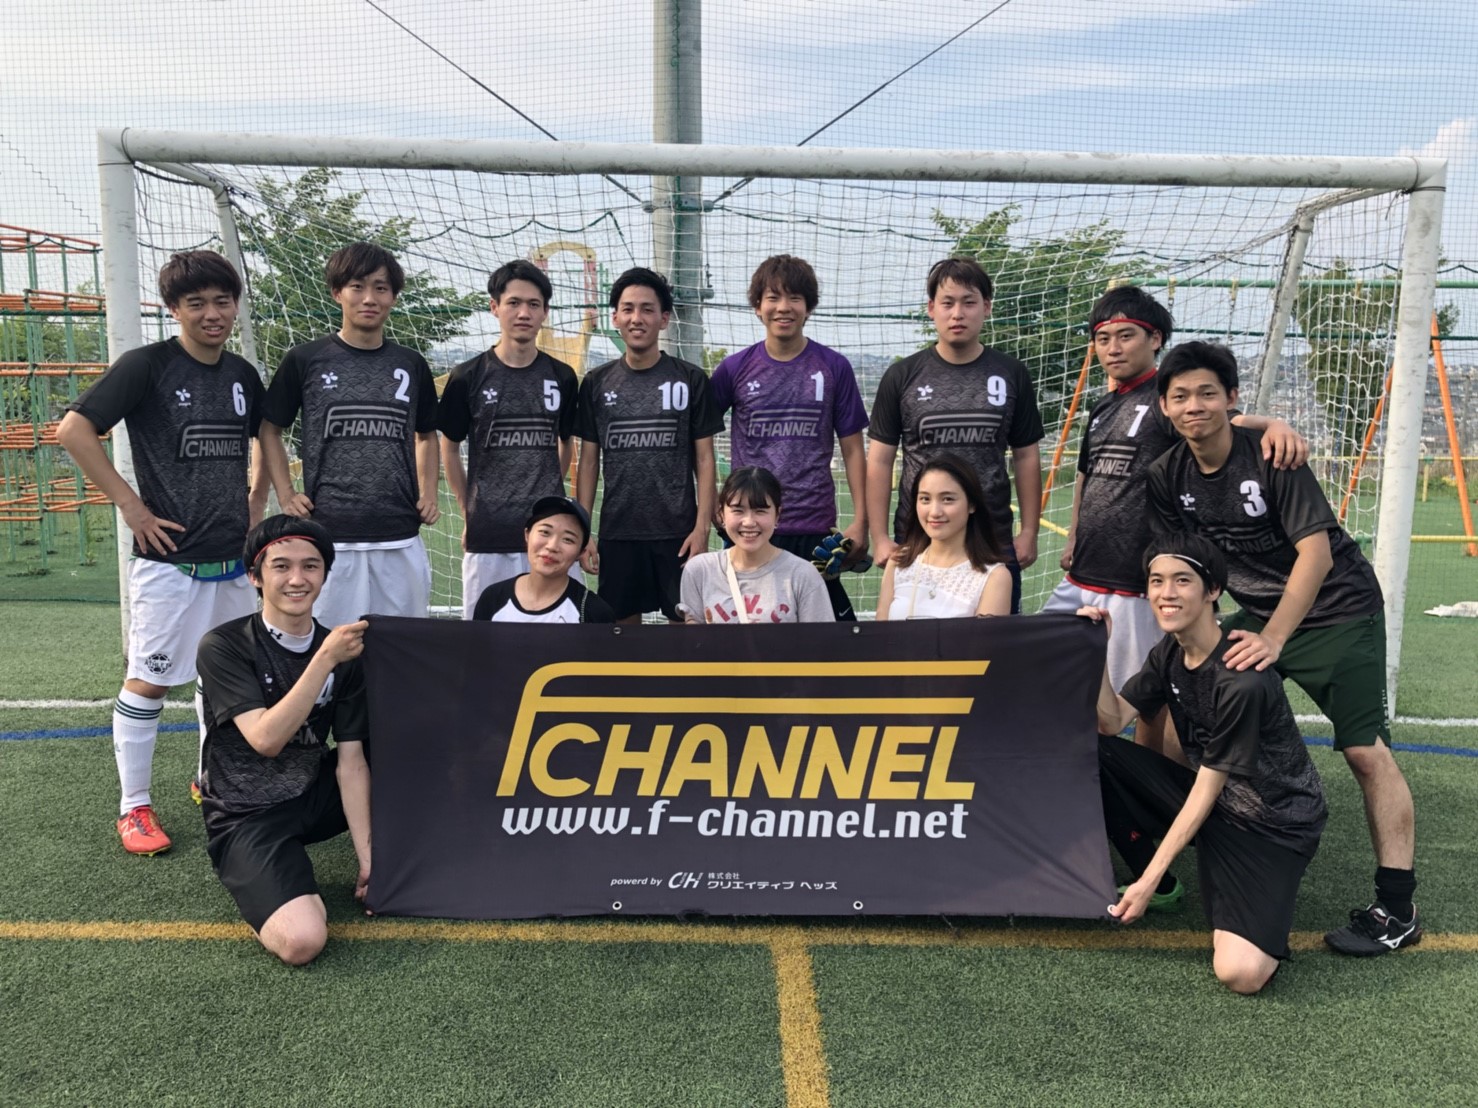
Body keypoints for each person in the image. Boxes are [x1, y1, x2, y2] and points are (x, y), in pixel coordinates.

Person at [1147, 340, 1421, 956]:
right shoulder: (1167, 474)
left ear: (1232, 397)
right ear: (1164, 406)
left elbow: (1316, 555)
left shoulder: (1273, 456)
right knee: (1176, 711)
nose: (1194, 406)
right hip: (1259, 614)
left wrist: (1273, 638)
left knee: (1364, 752)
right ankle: (1172, 854)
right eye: (1180, 396)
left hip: (1337, 611)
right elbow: (1181, 559)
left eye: (1208, 393)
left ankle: (1398, 909)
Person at [56, 250, 266, 856]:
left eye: (222, 301)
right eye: (196, 303)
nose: (212, 314)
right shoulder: (146, 365)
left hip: (233, 562)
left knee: (227, 680)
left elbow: (264, 440)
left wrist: (256, 502)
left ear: (235, 305)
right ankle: (135, 808)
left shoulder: (242, 374)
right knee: (148, 683)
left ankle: (211, 779)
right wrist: (131, 506)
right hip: (170, 563)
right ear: (174, 309)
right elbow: (73, 430)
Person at [1041, 287, 1307, 752]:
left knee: (1146, 699)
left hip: (1136, 581)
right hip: (1085, 572)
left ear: (1155, 339)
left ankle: (1158, 782)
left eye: (1126, 336)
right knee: (1045, 663)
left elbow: (1224, 422)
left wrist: (1273, 424)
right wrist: (1074, 536)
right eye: (1103, 339)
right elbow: (1087, 474)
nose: (1113, 348)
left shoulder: (1168, 399)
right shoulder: (1103, 406)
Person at [1081, 533, 1327, 994]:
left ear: (1213, 590)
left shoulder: (1241, 680)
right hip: (1218, 807)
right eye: (1156, 581)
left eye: (1182, 581)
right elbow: (1111, 722)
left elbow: (1208, 787)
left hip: (1272, 826)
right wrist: (1096, 651)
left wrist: (1146, 881)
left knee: (1241, 973)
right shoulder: (1170, 652)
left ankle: (1170, 880)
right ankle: (1162, 880)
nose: (1166, 593)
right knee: (1093, 752)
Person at [196, 515, 370, 966]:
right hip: (247, 812)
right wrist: (324, 660)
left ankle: (408, 859)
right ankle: (264, 873)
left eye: (311, 566)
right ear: (255, 576)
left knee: (397, 750)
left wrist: (369, 860)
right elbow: (265, 739)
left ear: (325, 575)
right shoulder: (224, 645)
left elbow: (352, 762)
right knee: (301, 942)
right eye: (281, 566)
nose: (297, 579)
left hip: (311, 793)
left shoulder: (342, 652)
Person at [258, 242, 440, 628]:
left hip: (399, 535)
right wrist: (286, 494)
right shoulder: (305, 359)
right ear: (337, 292)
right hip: (329, 536)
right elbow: (269, 429)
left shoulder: (410, 363)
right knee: (331, 647)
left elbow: (427, 435)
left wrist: (428, 493)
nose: (369, 298)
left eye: (381, 288)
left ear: (393, 297)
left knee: (401, 647)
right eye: (357, 287)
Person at [867, 256, 1043, 613]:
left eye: (969, 302)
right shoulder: (902, 376)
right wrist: (880, 536)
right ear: (931, 308)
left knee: (992, 642)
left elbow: (1026, 456)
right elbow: (880, 460)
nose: (957, 314)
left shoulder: (1011, 373)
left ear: (987, 307)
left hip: (992, 536)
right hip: (920, 535)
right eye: (947, 303)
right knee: (908, 635)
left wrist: (1029, 532)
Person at [710, 255, 870, 620]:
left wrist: (861, 521)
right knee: (750, 630)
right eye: (773, 297)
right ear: (757, 306)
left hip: (813, 526)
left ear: (809, 307)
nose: (784, 307)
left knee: (829, 636)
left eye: (795, 298)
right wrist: (714, 508)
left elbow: (853, 449)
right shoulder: (734, 369)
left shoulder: (834, 367)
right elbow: (699, 440)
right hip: (750, 525)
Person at [574, 268, 721, 624]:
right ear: (615, 318)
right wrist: (582, 530)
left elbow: (704, 460)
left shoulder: (690, 379)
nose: (636, 318)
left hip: (679, 534)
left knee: (687, 632)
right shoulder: (596, 382)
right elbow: (589, 462)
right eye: (627, 309)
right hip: (619, 533)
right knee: (622, 637)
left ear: (664, 319)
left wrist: (701, 528)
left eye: (647, 309)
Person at [438, 259, 579, 616]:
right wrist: (467, 510)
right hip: (489, 535)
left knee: (559, 638)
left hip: (549, 537)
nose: (523, 313)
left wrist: (549, 489)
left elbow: (567, 442)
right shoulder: (467, 376)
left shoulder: (562, 376)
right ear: (495, 307)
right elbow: (449, 447)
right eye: (514, 302)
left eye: (533, 304)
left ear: (545, 312)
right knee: (485, 639)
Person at [680, 467, 835, 625]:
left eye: (760, 511)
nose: (749, 522)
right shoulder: (699, 571)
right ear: (721, 515)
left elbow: (820, 639)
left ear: (777, 515)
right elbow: (694, 638)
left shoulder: (803, 575)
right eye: (738, 510)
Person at [875, 453, 1011, 620]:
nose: (934, 512)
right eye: (925, 499)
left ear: (972, 504)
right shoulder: (899, 561)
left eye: (947, 499)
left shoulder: (995, 577)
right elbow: (881, 633)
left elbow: (984, 638)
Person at [472, 495, 616, 623]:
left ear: (580, 552)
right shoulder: (493, 598)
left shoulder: (594, 612)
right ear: (527, 535)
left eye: (568, 539)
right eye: (545, 532)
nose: (552, 546)